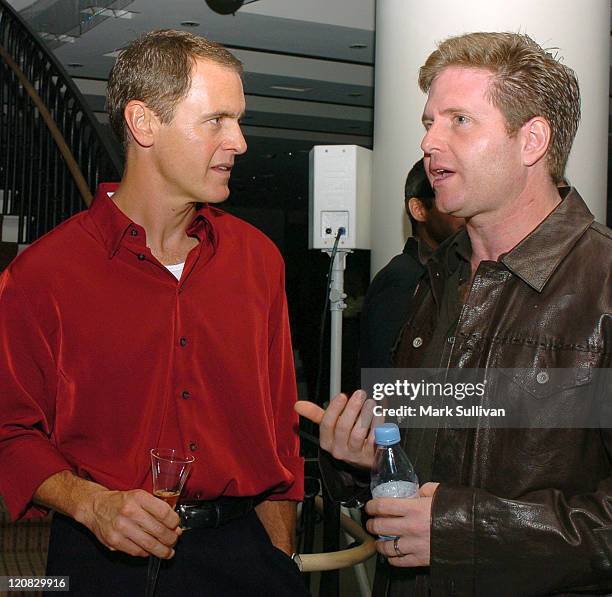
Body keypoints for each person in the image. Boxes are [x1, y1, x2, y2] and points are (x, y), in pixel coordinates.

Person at [296, 31, 612, 596]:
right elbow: (422, 452)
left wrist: (461, 532)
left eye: (458, 120)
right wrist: (369, 459)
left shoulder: (602, 284)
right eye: (428, 122)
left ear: (531, 140)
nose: (429, 141)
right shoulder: (436, 277)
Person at [0, 30, 308, 597]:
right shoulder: (44, 275)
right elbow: (11, 431)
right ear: (144, 124)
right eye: (216, 120)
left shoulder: (257, 260)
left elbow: (278, 427)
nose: (239, 142)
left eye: (239, 120)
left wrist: (280, 553)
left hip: (243, 555)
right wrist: (90, 504)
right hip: (99, 560)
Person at [360, 158, 462, 368]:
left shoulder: (446, 272)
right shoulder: (402, 277)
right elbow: (385, 375)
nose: (465, 213)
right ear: (419, 209)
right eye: (451, 201)